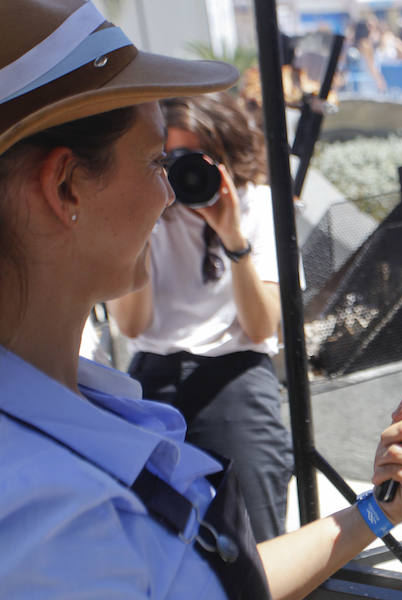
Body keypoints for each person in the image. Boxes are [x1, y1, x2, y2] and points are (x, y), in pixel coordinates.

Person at [0, 1, 402, 598]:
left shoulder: (70, 416)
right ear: (64, 186)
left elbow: (215, 577)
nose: (169, 195)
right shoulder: (53, 523)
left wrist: (375, 513)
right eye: (158, 161)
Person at [105, 90, 291, 543]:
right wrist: (143, 220)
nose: (183, 171)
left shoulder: (257, 205)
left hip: (236, 378)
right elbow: (131, 325)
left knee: (253, 538)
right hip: (154, 377)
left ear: (223, 153)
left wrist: (231, 235)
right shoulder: (144, 213)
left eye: (196, 157)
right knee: (151, 537)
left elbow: (262, 326)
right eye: (169, 158)